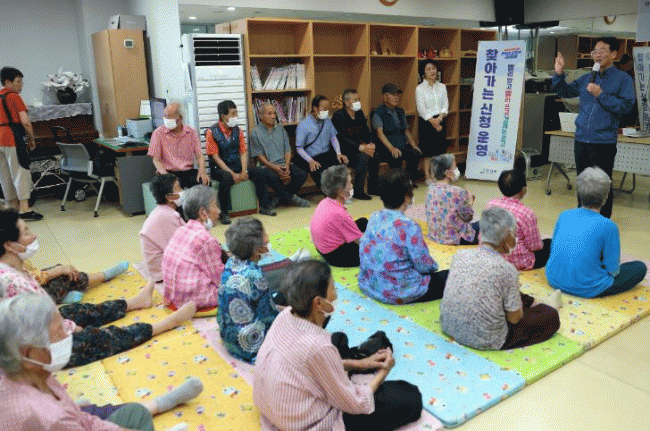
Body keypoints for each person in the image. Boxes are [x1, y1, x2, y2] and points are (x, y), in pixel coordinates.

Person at [0, 208, 196, 368]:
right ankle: (164, 324)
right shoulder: (12, 282)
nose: (34, 235)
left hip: (37, 335)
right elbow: (42, 324)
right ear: (9, 245)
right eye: (26, 232)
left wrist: (67, 323)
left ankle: (134, 302)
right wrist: (71, 328)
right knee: (99, 338)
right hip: (41, 352)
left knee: (79, 310)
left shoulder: (13, 268)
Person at [253, 260, 422, 431]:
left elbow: (310, 366)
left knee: (342, 340)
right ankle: (362, 360)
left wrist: (361, 364)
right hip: (306, 423)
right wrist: (384, 371)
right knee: (410, 397)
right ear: (318, 303)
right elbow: (356, 403)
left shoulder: (285, 316)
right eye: (333, 287)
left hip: (276, 408)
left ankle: (360, 357)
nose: (336, 294)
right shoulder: (319, 347)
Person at [0, 293, 203, 431]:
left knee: (135, 414)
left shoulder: (30, 373)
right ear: (27, 352)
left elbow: (84, 420)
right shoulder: (49, 417)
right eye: (59, 331)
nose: (68, 334)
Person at [440, 207, 562, 350]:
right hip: (486, 339)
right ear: (507, 236)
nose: (515, 238)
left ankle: (533, 302)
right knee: (551, 316)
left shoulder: (460, 256)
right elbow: (514, 319)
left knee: (503, 290)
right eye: (515, 234)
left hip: (449, 326)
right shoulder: (507, 270)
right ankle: (547, 304)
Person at [552, 36, 635, 218]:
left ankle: (602, 221)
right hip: (581, 139)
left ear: (614, 54)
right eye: (595, 51)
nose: (597, 55)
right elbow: (565, 91)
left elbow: (627, 107)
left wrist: (601, 94)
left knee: (602, 185)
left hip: (603, 141)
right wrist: (559, 73)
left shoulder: (623, 79)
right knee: (583, 183)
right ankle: (583, 219)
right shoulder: (586, 78)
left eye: (602, 51)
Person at [546, 167, 648, 298]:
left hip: (554, 278)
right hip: (587, 288)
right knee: (639, 268)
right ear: (606, 196)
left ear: (579, 192)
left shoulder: (564, 215)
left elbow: (553, 248)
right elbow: (613, 270)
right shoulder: (608, 226)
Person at [359, 170, 448, 305]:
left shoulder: (374, 216)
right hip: (399, 291)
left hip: (370, 284)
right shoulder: (409, 226)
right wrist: (433, 267)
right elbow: (424, 265)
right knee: (451, 276)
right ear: (407, 196)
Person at [218, 217, 280, 363]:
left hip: (229, 338)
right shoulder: (255, 275)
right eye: (265, 235)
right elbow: (268, 316)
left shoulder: (230, 263)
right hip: (251, 346)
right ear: (256, 249)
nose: (268, 238)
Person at [207, 100, 276, 225]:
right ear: (223, 116)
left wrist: (244, 171)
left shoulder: (238, 130)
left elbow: (243, 152)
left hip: (236, 164)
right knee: (226, 177)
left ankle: (264, 207)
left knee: (259, 172)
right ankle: (225, 213)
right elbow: (216, 157)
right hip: (219, 168)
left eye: (236, 113)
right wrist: (232, 173)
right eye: (233, 114)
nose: (236, 116)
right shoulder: (212, 132)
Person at [162, 185, 224, 309]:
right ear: (202, 212)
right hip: (190, 299)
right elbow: (220, 279)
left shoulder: (181, 229)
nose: (218, 211)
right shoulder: (206, 240)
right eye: (214, 206)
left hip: (173, 294)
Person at [486, 169, 551, 270]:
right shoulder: (527, 213)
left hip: (492, 255)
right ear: (523, 190)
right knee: (549, 244)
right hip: (518, 261)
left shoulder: (490, 204)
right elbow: (535, 246)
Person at [249, 103, 310, 209]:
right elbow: (259, 156)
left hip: (283, 163)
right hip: (267, 166)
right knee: (271, 176)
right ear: (260, 115)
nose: (273, 116)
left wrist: (287, 164)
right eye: (269, 114)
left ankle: (279, 199)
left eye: (274, 113)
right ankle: (291, 198)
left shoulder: (281, 129)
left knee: (302, 174)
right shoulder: (255, 132)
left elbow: (287, 150)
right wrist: (274, 167)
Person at [0, 67, 42, 221]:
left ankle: (12, 210)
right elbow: (25, 122)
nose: (21, 85)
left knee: (4, 176)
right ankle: (25, 210)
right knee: (20, 173)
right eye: (18, 81)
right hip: (12, 138)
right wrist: (31, 139)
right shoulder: (14, 97)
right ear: (8, 82)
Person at [310, 165, 366, 267]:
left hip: (322, 248)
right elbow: (361, 240)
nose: (352, 186)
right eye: (350, 183)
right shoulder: (339, 213)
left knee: (363, 221)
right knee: (374, 252)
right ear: (341, 191)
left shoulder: (325, 201)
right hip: (335, 255)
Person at [147, 103, 210, 190]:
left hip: (187, 172)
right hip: (167, 172)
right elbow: (156, 160)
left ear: (180, 118)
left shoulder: (191, 132)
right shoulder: (158, 133)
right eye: (165, 117)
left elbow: (199, 156)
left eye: (170, 117)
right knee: (172, 188)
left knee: (205, 183)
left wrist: (202, 171)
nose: (167, 120)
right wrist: (167, 175)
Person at [293, 95, 349, 190]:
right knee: (317, 171)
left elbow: (333, 137)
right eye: (324, 109)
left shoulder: (327, 120)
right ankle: (330, 195)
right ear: (315, 108)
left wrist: (338, 153)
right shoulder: (303, 125)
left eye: (328, 108)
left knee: (341, 166)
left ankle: (341, 192)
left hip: (325, 154)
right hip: (310, 157)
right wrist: (310, 161)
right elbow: (299, 148)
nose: (327, 111)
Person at [332, 89, 378, 199]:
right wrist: (360, 147)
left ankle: (373, 187)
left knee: (375, 154)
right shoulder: (338, 116)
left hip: (359, 147)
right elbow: (342, 139)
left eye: (359, 99)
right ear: (347, 102)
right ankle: (358, 191)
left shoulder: (359, 113)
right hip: (344, 151)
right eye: (356, 100)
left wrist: (371, 144)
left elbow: (366, 132)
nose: (358, 102)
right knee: (364, 156)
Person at [139, 173, 185, 284]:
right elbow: (181, 249)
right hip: (162, 272)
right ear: (169, 197)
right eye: (178, 189)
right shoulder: (166, 216)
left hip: (163, 266)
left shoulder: (165, 212)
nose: (182, 191)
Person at [372, 83, 422, 183]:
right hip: (386, 148)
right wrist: (391, 148)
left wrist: (414, 145)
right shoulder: (378, 112)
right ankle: (397, 183)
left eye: (397, 95)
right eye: (393, 95)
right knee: (396, 156)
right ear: (385, 97)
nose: (396, 98)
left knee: (416, 154)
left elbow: (406, 131)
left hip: (402, 145)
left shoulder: (400, 111)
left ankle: (408, 181)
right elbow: (380, 134)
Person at [425, 154, 478, 245]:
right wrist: (470, 201)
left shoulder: (430, 189)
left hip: (435, 235)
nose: (457, 169)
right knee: (483, 224)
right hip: (456, 238)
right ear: (448, 173)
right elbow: (467, 217)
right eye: (455, 167)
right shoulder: (458, 192)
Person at [415, 60, 449, 183]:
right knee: (428, 151)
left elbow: (445, 104)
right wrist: (432, 121)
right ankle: (427, 176)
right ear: (423, 72)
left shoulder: (442, 86)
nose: (432, 71)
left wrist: (439, 118)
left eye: (433, 68)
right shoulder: (420, 88)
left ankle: (435, 175)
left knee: (438, 151)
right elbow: (421, 108)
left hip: (440, 119)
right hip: (426, 122)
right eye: (428, 69)